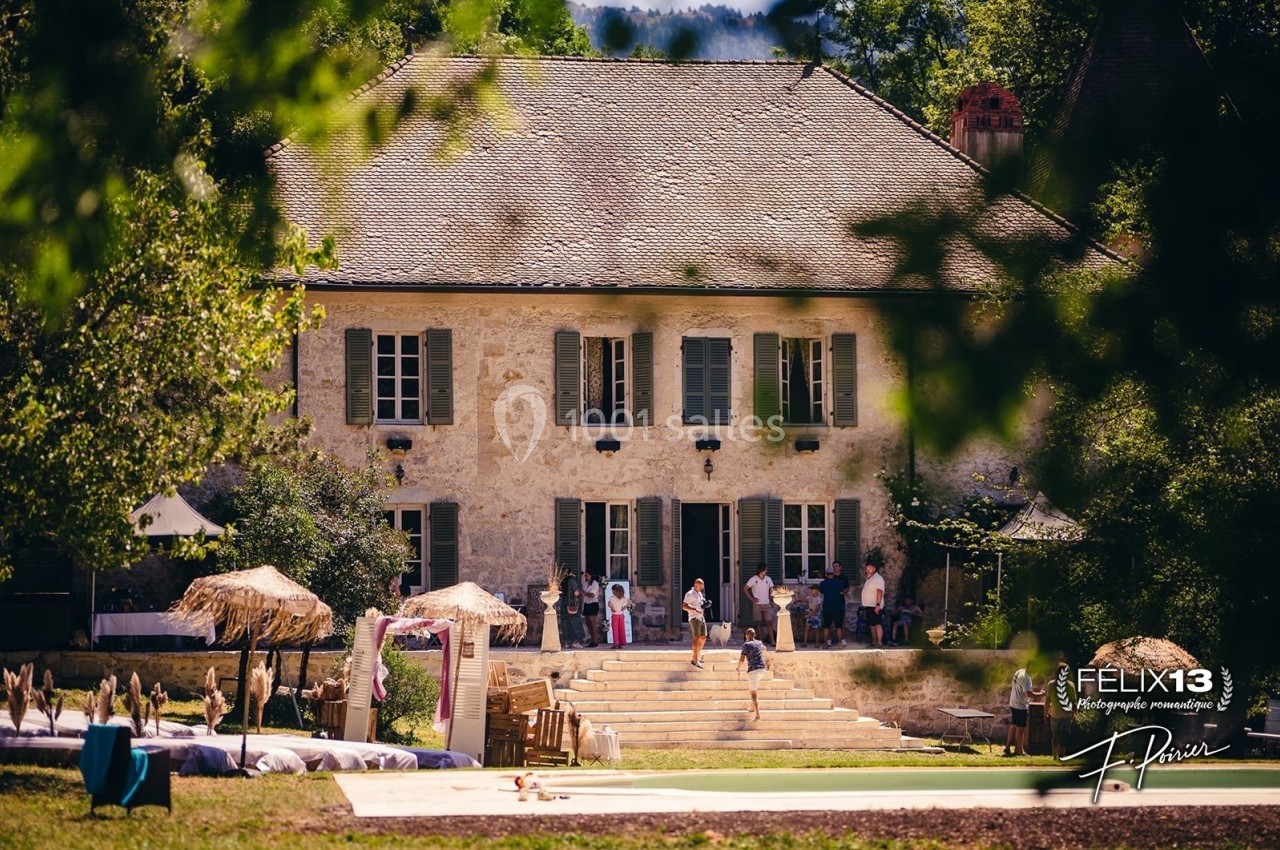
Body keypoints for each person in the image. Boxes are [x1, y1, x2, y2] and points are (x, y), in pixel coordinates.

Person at [1004, 664, 1042, 756]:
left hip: (1013, 702)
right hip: (1020, 705)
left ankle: (1007, 747)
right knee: (1020, 729)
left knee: (1014, 725)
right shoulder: (1026, 678)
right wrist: (1041, 694)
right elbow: (1028, 694)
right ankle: (1019, 751)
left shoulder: (1019, 671)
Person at [735, 627, 768, 720]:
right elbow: (764, 649)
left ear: (746, 635)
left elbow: (742, 659)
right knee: (754, 687)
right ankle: (751, 706)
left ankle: (757, 713)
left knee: (753, 692)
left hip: (753, 670)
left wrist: (738, 668)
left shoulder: (746, 644)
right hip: (762, 669)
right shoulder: (759, 642)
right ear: (755, 635)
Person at [742, 562, 776, 645]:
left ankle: (772, 640)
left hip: (767, 604)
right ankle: (761, 642)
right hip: (757, 604)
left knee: (769, 622)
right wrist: (751, 599)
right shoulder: (753, 579)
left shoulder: (768, 579)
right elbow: (745, 589)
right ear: (761, 570)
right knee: (758, 623)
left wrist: (772, 599)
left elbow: (773, 590)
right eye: (765, 569)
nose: (766, 571)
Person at [1048, 661, 1075, 760]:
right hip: (1066, 715)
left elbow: (1047, 701)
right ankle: (1061, 755)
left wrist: (1045, 713)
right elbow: (1074, 702)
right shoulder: (1070, 685)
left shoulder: (1051, 684)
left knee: (1055, 736)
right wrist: (1074, 714)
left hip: (1055, 714)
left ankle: (1055, 756)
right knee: (1063, 736)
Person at [682, 577, 709, 668]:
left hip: (701, 618)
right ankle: (696, 659)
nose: (702, 588)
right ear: (696, 585)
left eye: (702, 587)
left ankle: (695, 656)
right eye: (700, 586)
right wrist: (694, 610)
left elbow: (700, 605)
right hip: (694, 618)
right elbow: (684, 607)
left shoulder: (700, 594)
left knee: (704, 637)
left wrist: (706, 605)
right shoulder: (689, 594)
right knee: (697, 638)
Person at [818, 566, 848, 648]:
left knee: (827, 626)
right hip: (837, 607)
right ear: (833, 574)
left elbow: (822, 592)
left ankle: (825, 644)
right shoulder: (839, 583)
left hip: (827, 607)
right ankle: (839, 643)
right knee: (838, 626)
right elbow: (842, 591)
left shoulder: (823, 583)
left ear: (826, 574)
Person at [860, 560, 885, 647]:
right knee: (872, 624)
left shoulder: (878, 579)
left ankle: (879, 642)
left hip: (875, 605)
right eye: (867, 568)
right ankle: (874, 641)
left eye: (870, 568)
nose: (868, 570)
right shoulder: (870, 578)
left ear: (874, 568)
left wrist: (877, 605)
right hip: (869, 605)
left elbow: (879, 591)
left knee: (877, 623)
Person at [561, 571, 585, 648]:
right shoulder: (572, 581)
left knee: (565, 623)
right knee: (575, 622)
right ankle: (576, 641)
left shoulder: (562, 581)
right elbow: (576, 593)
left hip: (564, 604)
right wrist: (580, 593)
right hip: (571, 604)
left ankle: (567, 642)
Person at [607, 583, 633, 650]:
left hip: (615, 616)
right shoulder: (623, 598)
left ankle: (616, 644)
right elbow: (630, 602)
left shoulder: (612, 598)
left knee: (615, 630)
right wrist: (624, 607)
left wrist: (612, 608)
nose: (612, 591)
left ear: (615, 591)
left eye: (612, 590)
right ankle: (621, 644)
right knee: (621, 630)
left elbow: (609, 604)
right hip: (621, 616)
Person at [581, 571, 601, 647]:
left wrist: (584, 593)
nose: (585, 577)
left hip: (593, 604)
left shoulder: (595, 583)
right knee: (588, 623)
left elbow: (592, 595)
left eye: (587, 575)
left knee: (592, 622)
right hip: (586, 604)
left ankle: (595, 641)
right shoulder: (585, 584)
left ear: (591, 575)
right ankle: (592, 640)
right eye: (585, 576)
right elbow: (583, 593)